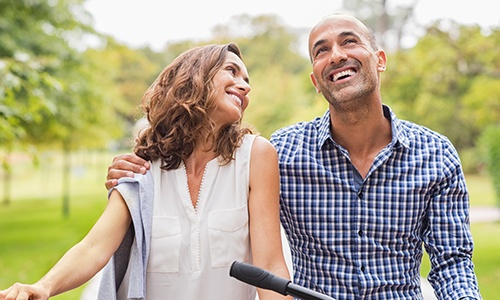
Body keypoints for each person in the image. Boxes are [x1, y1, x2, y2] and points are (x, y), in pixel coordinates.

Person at [104, 14, 482, 300]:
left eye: (349, 42)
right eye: (321, 50)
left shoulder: (435, 154)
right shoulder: (280, 153)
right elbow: (203, 154)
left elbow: (452, 262)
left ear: (379, 60)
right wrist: (137, 168)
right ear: (316, 81)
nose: (336, 55)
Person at [0, 43, 292, 300]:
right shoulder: (143, 166)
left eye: (246, 79)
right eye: (231, 71)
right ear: (194, 78)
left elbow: (269, 267)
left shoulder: (255, 155)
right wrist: (43, 286)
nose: (245, 85)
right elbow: (94, 247)